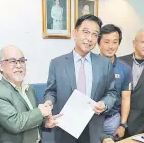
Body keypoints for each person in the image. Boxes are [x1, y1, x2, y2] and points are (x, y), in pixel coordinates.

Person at [44, 14, 117, 143]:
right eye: (86, 32)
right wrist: (48, 102)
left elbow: (111, 93)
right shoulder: (57, 63)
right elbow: (51, 91)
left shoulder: (104, 64)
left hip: (93, 128)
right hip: (65, 127)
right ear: (75, 33)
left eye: (95, 35)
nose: (90, 38)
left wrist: (104, 104)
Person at [0, 45, 59, 143]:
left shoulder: (29, 88)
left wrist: (46, 123)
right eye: (13, 61)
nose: (19, 65)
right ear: (1, 65)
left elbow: (33, 118)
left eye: (22, 61)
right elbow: (15, 123)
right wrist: (41, 112)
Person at [98, 24, 132, 140]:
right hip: (92, 119)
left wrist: (123, 124)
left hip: (112, 120)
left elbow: (126, 98)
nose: (110, 46)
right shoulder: (88, 65)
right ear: (99, 43)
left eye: (115, 42)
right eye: (106, 42)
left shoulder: (125, 68)